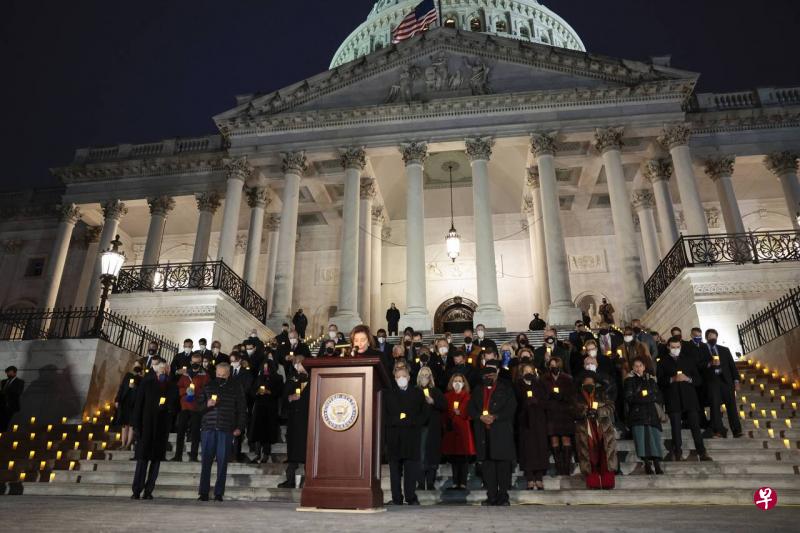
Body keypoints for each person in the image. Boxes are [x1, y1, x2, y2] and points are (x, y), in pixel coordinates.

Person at [197, 362, 247, 502]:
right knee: (206, 461)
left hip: (226, 429)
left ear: (228, 374)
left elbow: (242, 409)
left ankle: (219, 493)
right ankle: (203, 492)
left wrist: (239, 427)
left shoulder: (236, 387)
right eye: (218, 374)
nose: (220, 377)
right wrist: (207, 405)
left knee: (222, 462)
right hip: (208, 428)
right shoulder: (208, 386)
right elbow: (198, 407)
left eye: (223, 375)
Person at [469, 362, 517, 506]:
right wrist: (479, 417)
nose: (488, 377)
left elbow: (511, 407)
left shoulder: (506, 389)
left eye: (491, 375)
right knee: (488, 466)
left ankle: (503, 497)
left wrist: (495, 416)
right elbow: (471, 408)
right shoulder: (477, 390)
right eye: (486, 375)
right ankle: (491, 496)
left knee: (503, 466)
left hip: (500, 431)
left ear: (496, 376)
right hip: (483, 433)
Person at [657, 337, 712, 462]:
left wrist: (688, 379)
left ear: (681, 346)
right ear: (668, 347)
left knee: (695, 427)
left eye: (677, 347)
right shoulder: (662, 362)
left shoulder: (688, 360)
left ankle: (702, 452)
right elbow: (660, 381)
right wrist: (672, 379)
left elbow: (698, 380)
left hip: (690, 398)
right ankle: (677, 453)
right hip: (673, 398)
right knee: (676, 427)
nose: (675, 349)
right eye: (673, 347)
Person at [131, 361, 177, 500]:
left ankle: (149, 490)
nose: (163, 373)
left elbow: (175, 407)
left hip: (161, 428)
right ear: (156, 371)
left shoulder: (171, 387)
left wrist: (167, 408)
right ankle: (136, 489)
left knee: (156, 460)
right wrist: (136, 425)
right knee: (142, 459)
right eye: (161, 370)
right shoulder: (147, 384)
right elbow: (138, 405)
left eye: (165, 371)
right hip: (146, 426)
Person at [383, 366, 424, 505]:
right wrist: (397, 420)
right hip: (394, 437)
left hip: (411, 436)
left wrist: (409, 421)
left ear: (409, 377)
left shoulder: (417, 393)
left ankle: (411, 497)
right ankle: (396, 498)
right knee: (394, 471)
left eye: (404, 376)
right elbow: (384, 416)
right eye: (398, 376)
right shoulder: (388, 394)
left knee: (411, 470)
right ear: (394, 379)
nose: (401, 379)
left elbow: (423, 415)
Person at [574, 372, 618, 489]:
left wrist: (599, 412)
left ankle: (607, 481)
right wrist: (584, 412)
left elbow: (611, 407)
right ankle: (593, 482)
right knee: (590, 456)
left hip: (602, 428)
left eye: (591, 382)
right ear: (582, 384)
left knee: (605, 454)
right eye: (586, 382)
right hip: (585, 429)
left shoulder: (602, 394)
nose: (589, 384)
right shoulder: (577, 396)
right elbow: (573, 409)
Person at [624, 357, 665, 475]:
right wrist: (646, 397)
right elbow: (629, 398)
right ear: (632, 368)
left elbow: (658, 396)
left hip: (652, 414)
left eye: (640, 365)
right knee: (642, 440)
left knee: (654, 440)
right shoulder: (629, 381)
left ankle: (657, 464)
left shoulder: (651, 380)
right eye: (635, 366)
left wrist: (644, 397)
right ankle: (647, 464)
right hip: (638, 415)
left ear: (644, 367)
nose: (638, 368)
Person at [515, 363, 549, 490]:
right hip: (525, 421)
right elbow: (516, 399)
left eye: (531, 371)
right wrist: (525, 402)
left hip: (539, 420)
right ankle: (529, 478)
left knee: (540, 447)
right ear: (522, 373)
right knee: (528, 449)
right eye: (526, 371)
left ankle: (539, 478)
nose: (528, 373)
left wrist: (537, 401)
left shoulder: (539, 384)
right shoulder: (518, 384)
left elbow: (546, 399)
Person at [704, 329, 743, 438]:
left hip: (726, 381)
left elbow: (732, 366)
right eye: (711, 336)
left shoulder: (724, 350)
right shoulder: (703, 350)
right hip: (712, 381)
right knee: (715, 407)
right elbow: (700, 365)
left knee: (732, 406)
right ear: (707, 337)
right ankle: (718, 430)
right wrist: (710, 363)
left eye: (715, 336)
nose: (713, 338)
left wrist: (736, 381)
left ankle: (737, 430)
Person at [278, 356, 310, 488]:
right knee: (292, 450)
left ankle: (310, 480)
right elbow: (285, 395)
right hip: (294, 418)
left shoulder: (313, 377)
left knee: (308, 449)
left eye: (299, 364)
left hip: (307, 418)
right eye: (295, 364)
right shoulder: (292, 378)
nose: (297, 366)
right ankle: (290, 479)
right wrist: (290, 397)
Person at [172, 353, 210, 462]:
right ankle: (178, 455)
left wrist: (196, 392)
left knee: (195, 433)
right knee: (180, 431)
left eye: (198, 362)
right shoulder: (185, 374)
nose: (195, 364)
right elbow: (179, 388)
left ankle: (193, 456)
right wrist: (186, 391)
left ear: (201, 362)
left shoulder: (205, 375)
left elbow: (207, 390)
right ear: (190, 362)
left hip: (197, 407)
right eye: (193, 362)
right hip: (184, 406)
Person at [442, 373, 475, 490]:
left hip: (463, 429)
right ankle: (455, 482)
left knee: (463, 458)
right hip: (452, 429)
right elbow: (444, 413)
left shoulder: (467, 396)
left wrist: (460, 412)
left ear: (463, 383)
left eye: (459, 381)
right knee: (454, 457)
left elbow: (471, 412)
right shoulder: (447, 396)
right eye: (455, 381)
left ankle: (463, 482)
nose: (457, 383)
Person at [543, 356, 574, 476]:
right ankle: (559, 466)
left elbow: (572, 395)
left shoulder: (567, 378)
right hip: (551, 412)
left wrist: (562, 396)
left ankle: (566, 467)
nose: (553, 367)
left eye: (555, 364)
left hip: (565, 412)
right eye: (551, 365)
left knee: (566, 439)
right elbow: (541, 394)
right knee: (554, 439)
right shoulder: (544, 378)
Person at [249, 359, 284, 464]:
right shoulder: (259, 378)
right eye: (263, 367)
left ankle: (266, 454)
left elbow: (280, 391)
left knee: (267, 432)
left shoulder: (278, 378)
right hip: (259, 407)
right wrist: (257, 392)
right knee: (258, 431)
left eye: (267, 367)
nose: (265, 369)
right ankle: (257, 454)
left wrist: (269, 392)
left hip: (270, 408)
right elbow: (252, 390)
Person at [416, 366, 445, 490]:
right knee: (420, 454)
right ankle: (421, 482)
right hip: (420, 427)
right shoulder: (415, 391)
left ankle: (430, 482)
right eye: (422, 375)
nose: (425, 378)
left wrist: (433, 402)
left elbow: (443, 405)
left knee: (432, 454)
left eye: (427, 375)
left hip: (433, 427)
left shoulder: (436, 391)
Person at [229, 352, 253, 462]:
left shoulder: (246, 373)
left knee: (238, 429)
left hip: (240, 404)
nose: (232, 363)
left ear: (239, 361)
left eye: (234, 361)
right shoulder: (228, 371)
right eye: (231, 361)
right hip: (229, 404)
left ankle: (237, 455)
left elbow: (248, 388)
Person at [115, 361, 143, 450]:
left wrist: (134, 386)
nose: (136, 367)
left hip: (134, 403)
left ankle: (128, 444)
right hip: (125, 401)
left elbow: (141, 391)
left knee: (131, 424)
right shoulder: (128, 375)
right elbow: (122, 387)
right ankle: (123, 443)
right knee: (124, 424)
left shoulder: (142, 378)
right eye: (135, 365)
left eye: (138, 365)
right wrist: (117, 399)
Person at [1, 366, 24, 431]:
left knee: (10, 423)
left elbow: (18, 392)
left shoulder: (20, 382)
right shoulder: (3, 381)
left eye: (10, 372)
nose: (9, 374)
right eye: (8, 373)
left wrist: (6, 392)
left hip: (12, 406)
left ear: (15, 373)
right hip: (3, 406)